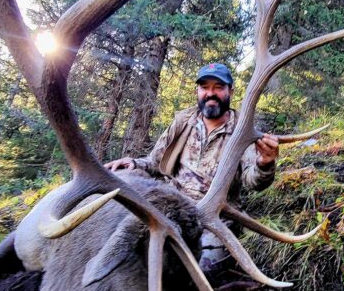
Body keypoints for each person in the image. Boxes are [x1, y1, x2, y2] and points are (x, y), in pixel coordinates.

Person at [106, 62, 279, 270]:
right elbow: (154, 162)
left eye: (218, 87)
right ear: (198, 90)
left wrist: (265, 164)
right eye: (205, 87)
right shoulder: (183, 122)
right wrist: (132, 163)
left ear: (230, 91)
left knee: (197, 271)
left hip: (212, 220)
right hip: (171, 210)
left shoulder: (242, 130)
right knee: (132, 257)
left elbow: (253, 182)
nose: (210, 93)